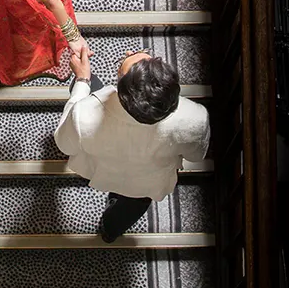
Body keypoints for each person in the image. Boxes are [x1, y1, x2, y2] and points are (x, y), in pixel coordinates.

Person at [54, 47, 210, 243]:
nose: (129, 52)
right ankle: (110, 232)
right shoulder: (195, 118)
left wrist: (82, 81)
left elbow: (64, 144)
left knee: (91, 83)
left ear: (122, 92)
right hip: (147, 184)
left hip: (102, 170)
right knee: (129, 211)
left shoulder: (84, 114)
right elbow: (195, 156)